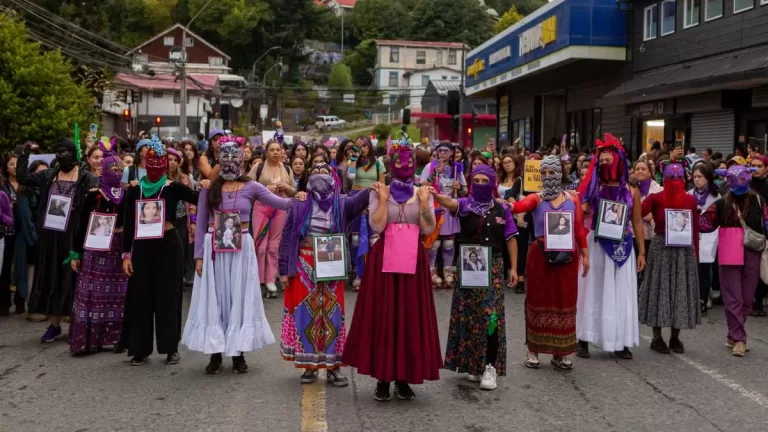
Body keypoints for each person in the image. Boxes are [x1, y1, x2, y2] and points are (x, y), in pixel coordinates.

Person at [183, 136, 295, 374]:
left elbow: (282, 204)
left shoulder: (252, 187)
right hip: (214, 248)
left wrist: (302, 196)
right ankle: (215, 353)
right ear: (219, 160)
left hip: (241, 248)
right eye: (225, 156)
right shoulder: (209, 188)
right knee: (216, 298)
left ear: (242, 160)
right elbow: (201, 223)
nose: (231, 161)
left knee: (239, 297)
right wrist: (199, 256)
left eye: (235, 156)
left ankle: (237, 353)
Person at [343, 137, 441, 401]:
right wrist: (384, 199)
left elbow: (428, 228)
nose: (405, 164)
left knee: (409, 316)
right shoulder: (378, 190)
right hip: (385, 260)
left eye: (409, 160)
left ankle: (404, 377)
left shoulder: (423, 191)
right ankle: (383, 378)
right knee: (385, 316)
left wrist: (423, 203)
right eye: (399, 160)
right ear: (391, 162)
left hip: (413, 260)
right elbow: (376, 226)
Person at [278, 162, 371, 386]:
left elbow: (362, 199)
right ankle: (309, 366)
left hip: (332, 260)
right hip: (305, 261)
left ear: (334, 178)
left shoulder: (342, 203)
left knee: (332, 313)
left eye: (325, 171)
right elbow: (288, 237)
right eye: (316, 171)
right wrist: (284, 270)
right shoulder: (300, 203)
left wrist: (374, 187)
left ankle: (333, 367)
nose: (320, 173)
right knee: (306, 314)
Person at [433, 164, 519, 388]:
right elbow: (450, 202)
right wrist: (434, 194)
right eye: (477, 180)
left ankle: (490, 365)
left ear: (492, 183)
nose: (481, 184)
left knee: (491, 316)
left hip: (494, 267)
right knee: (469, 314)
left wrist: (514, 268)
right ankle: (473, 363)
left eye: (485, 181)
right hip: (469, 265)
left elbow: (511, 238)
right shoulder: (465, 204)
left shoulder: (502, 209)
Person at [121, 136, 199, 366]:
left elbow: (200, 199)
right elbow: (128, 223)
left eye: (160, 160)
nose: (155, 164)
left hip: (169, 245)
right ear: (144, 161)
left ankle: (170, 347)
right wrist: (126, 254)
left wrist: (207, 183)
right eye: (150, 160)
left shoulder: (173, 187)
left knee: (169, 297)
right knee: (141, 296)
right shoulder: (135, 190)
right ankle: (140, 349)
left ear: (166, 163)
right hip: (143, 246)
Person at [510, 156, 588, 369]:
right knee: (538, 298)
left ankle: (560, 352)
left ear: (559, 173)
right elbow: (520, 206)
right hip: (540, 254)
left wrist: (586, 254)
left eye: (551, 172)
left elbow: (579, 229)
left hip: (567, 256)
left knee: (565, 300)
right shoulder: (536, 198)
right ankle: (533, 350)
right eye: (543, 173)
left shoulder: (572, 200)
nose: (546, 176)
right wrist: (510, 204)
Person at [18, 139, 99, 342]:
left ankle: (76, 324)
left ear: (74, 153)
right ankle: (53, 326)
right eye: (58, 152)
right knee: (51, 278)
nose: (61, 155)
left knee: (73, 278)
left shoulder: (86, 178)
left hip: (74, 236)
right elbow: (23, 178)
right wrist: (24, 154)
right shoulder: (48, 175)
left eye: (65, 151)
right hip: (51, 236)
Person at [576, 134, 646, 360]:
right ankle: (584, 337)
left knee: (622, 293)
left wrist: (642, 251)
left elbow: (637, 221)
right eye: (602, 161)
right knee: (591, 290)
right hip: (596, 243)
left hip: (623, 245)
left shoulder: (631, 190)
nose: (606, 164)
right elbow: (581, 212)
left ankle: (621, 341)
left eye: (610, 160)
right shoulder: (593, 188)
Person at [700, 164, 768, 356]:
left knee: (746, 299)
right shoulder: (722, 204)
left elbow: (767, 222)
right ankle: (739, 339)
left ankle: (733, 333)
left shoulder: (758, 200)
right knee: (733, 298)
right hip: (729, 250)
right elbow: (704, 224)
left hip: (752, 251)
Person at [68, 139, 128, 355]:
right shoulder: (94, 194)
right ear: (103, 169)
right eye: (112, 168)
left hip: (119, 248)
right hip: (96, 248)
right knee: (94, 294)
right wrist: (75, 253)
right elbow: (81, 224)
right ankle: (91, 339)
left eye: (120, 168)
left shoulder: (127, 193)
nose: (117, 171)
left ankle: (116, 338)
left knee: (119, 294)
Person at [639, 161, 700, 354]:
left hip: (682, 248)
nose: (674, 181)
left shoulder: (690, 201)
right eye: (671, 177)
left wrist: (695, 251)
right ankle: (657, 338)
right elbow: (637, 213)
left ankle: (674, 337)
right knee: (660, 288)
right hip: (662, 246)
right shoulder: (656, 198)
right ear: (664, 179)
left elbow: (695, 226)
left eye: (677, 177)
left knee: (679, 290)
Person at [249, 140, 297, 298]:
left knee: (274, 246)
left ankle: (270, 279)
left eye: (278, 150)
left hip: (280, 209)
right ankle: (257, 278)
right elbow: (247, 187)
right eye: (272, 150)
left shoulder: (287, 169)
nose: (276, 152)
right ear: (266, 152)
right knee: (260, 246)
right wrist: (263, 189)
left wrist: (287, 188)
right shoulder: (259, 167)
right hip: (261, 209)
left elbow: (293, 191)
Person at [420, 141, 466, 289]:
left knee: (448, 243)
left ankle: (447, 271)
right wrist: (435, 174)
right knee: (434, 243)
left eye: (446, 150)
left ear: (452, 152)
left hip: (450, 208)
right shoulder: (430, 166)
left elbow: (465, 191)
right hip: (434, 207)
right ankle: (431, 270)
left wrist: (459, 187)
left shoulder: (456, 168)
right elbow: (422, 185)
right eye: (440, 150)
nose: (443, 153)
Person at [344, 137, 385, 290]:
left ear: (370, 147)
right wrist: (353, 158)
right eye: (360, 146)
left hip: (373, 198)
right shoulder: (353, 161)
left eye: (365, 145)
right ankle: (359, 273)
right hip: (355, 198)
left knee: (374, 238)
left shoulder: (379, 163)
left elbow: (382, 185)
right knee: (355, 238)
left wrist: (376, 203)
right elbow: (351, 177)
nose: (363, 148)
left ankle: (374, 274)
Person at [14, 160, 48, 319]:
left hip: (44, 237)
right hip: (29, 239)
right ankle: (32, 308)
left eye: (45, 172)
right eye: (39, 172)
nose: (42, 176)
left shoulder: (46, 190)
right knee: (30, 272)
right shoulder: (24, 192)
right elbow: (26, 219)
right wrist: (35, 240)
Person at [749, 156, 768, 317]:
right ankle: (752, 301)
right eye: (752, 166)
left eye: (759, 166)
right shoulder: (744, 184)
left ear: (766, 169)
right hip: (747, 233)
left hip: (764, 233)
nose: (755, 168)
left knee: (763, 267)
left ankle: (759, 301)